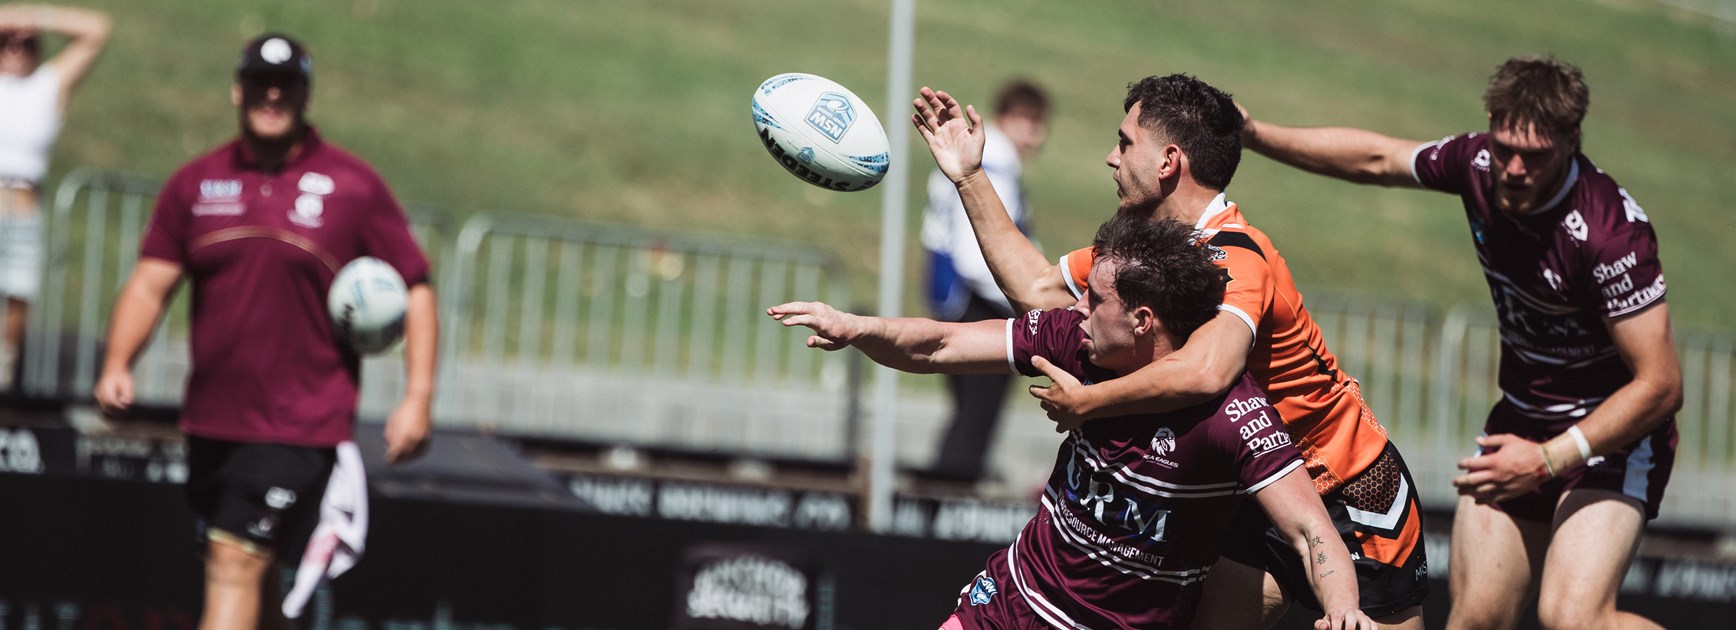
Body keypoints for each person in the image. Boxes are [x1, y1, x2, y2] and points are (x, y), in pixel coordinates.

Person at [910, 75, 1428, 629]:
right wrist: (969, 175)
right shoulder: (1148, 252)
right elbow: (1036, 290)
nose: (1112, 158)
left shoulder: (1237, 255)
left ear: (1168, 161)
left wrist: (1092, 401)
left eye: (1126, 141)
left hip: (1348, 490)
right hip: (1255, 489)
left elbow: (1209, 369)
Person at [1237, 55, 1681, 630]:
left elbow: (1661, 384)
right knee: (1474, 620)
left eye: (1535, 156)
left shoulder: (1608, 233)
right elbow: (1377, 159)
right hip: (1521, 423)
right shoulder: (1476, 164)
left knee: (1571, 618)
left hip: (1611, 440)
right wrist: (1254, 134)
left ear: (1572, 142)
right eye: (1504, 148)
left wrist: (1548, 459)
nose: (1513, 169)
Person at [770, 216, 1374, 630]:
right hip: (1011, 602)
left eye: (1094, 298)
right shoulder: (1075, 342)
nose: (1075, 307)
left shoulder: (1231, 414)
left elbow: (1313, 535)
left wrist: (1344, 610)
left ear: (1142, 320)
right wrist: (857, 328)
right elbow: (940, 346)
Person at [92, 34, 439, 630]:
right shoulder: (196, 184)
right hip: (212, 421)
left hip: (297, 424)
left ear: (306, 95)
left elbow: (415, 285)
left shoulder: (352, 187)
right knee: (259, 576)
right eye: (259, 83)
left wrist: (417, 397)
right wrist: (117, 362)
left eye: (286, 85)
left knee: (233, 563)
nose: (271, 96)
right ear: (237, 89)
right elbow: (152, 283)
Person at [921, 79, 1049, 482]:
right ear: (1007, 118)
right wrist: (1032, 300)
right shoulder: (991, 163)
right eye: (1030, 123)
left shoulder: (982, 155)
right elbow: (977, 255)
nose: (1037, 135)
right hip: (977, 302)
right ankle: (945, 512)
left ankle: (944, 494)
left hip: (956, 297)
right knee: (976, 418)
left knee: (968, 416)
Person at [0, 3, 109, 389]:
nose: (15, 46)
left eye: (26, 42)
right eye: (7, 41)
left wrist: (33, 17)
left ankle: (5, 378)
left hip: (23, 211)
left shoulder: (47, 84)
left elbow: (96, 29)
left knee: (18, 296)